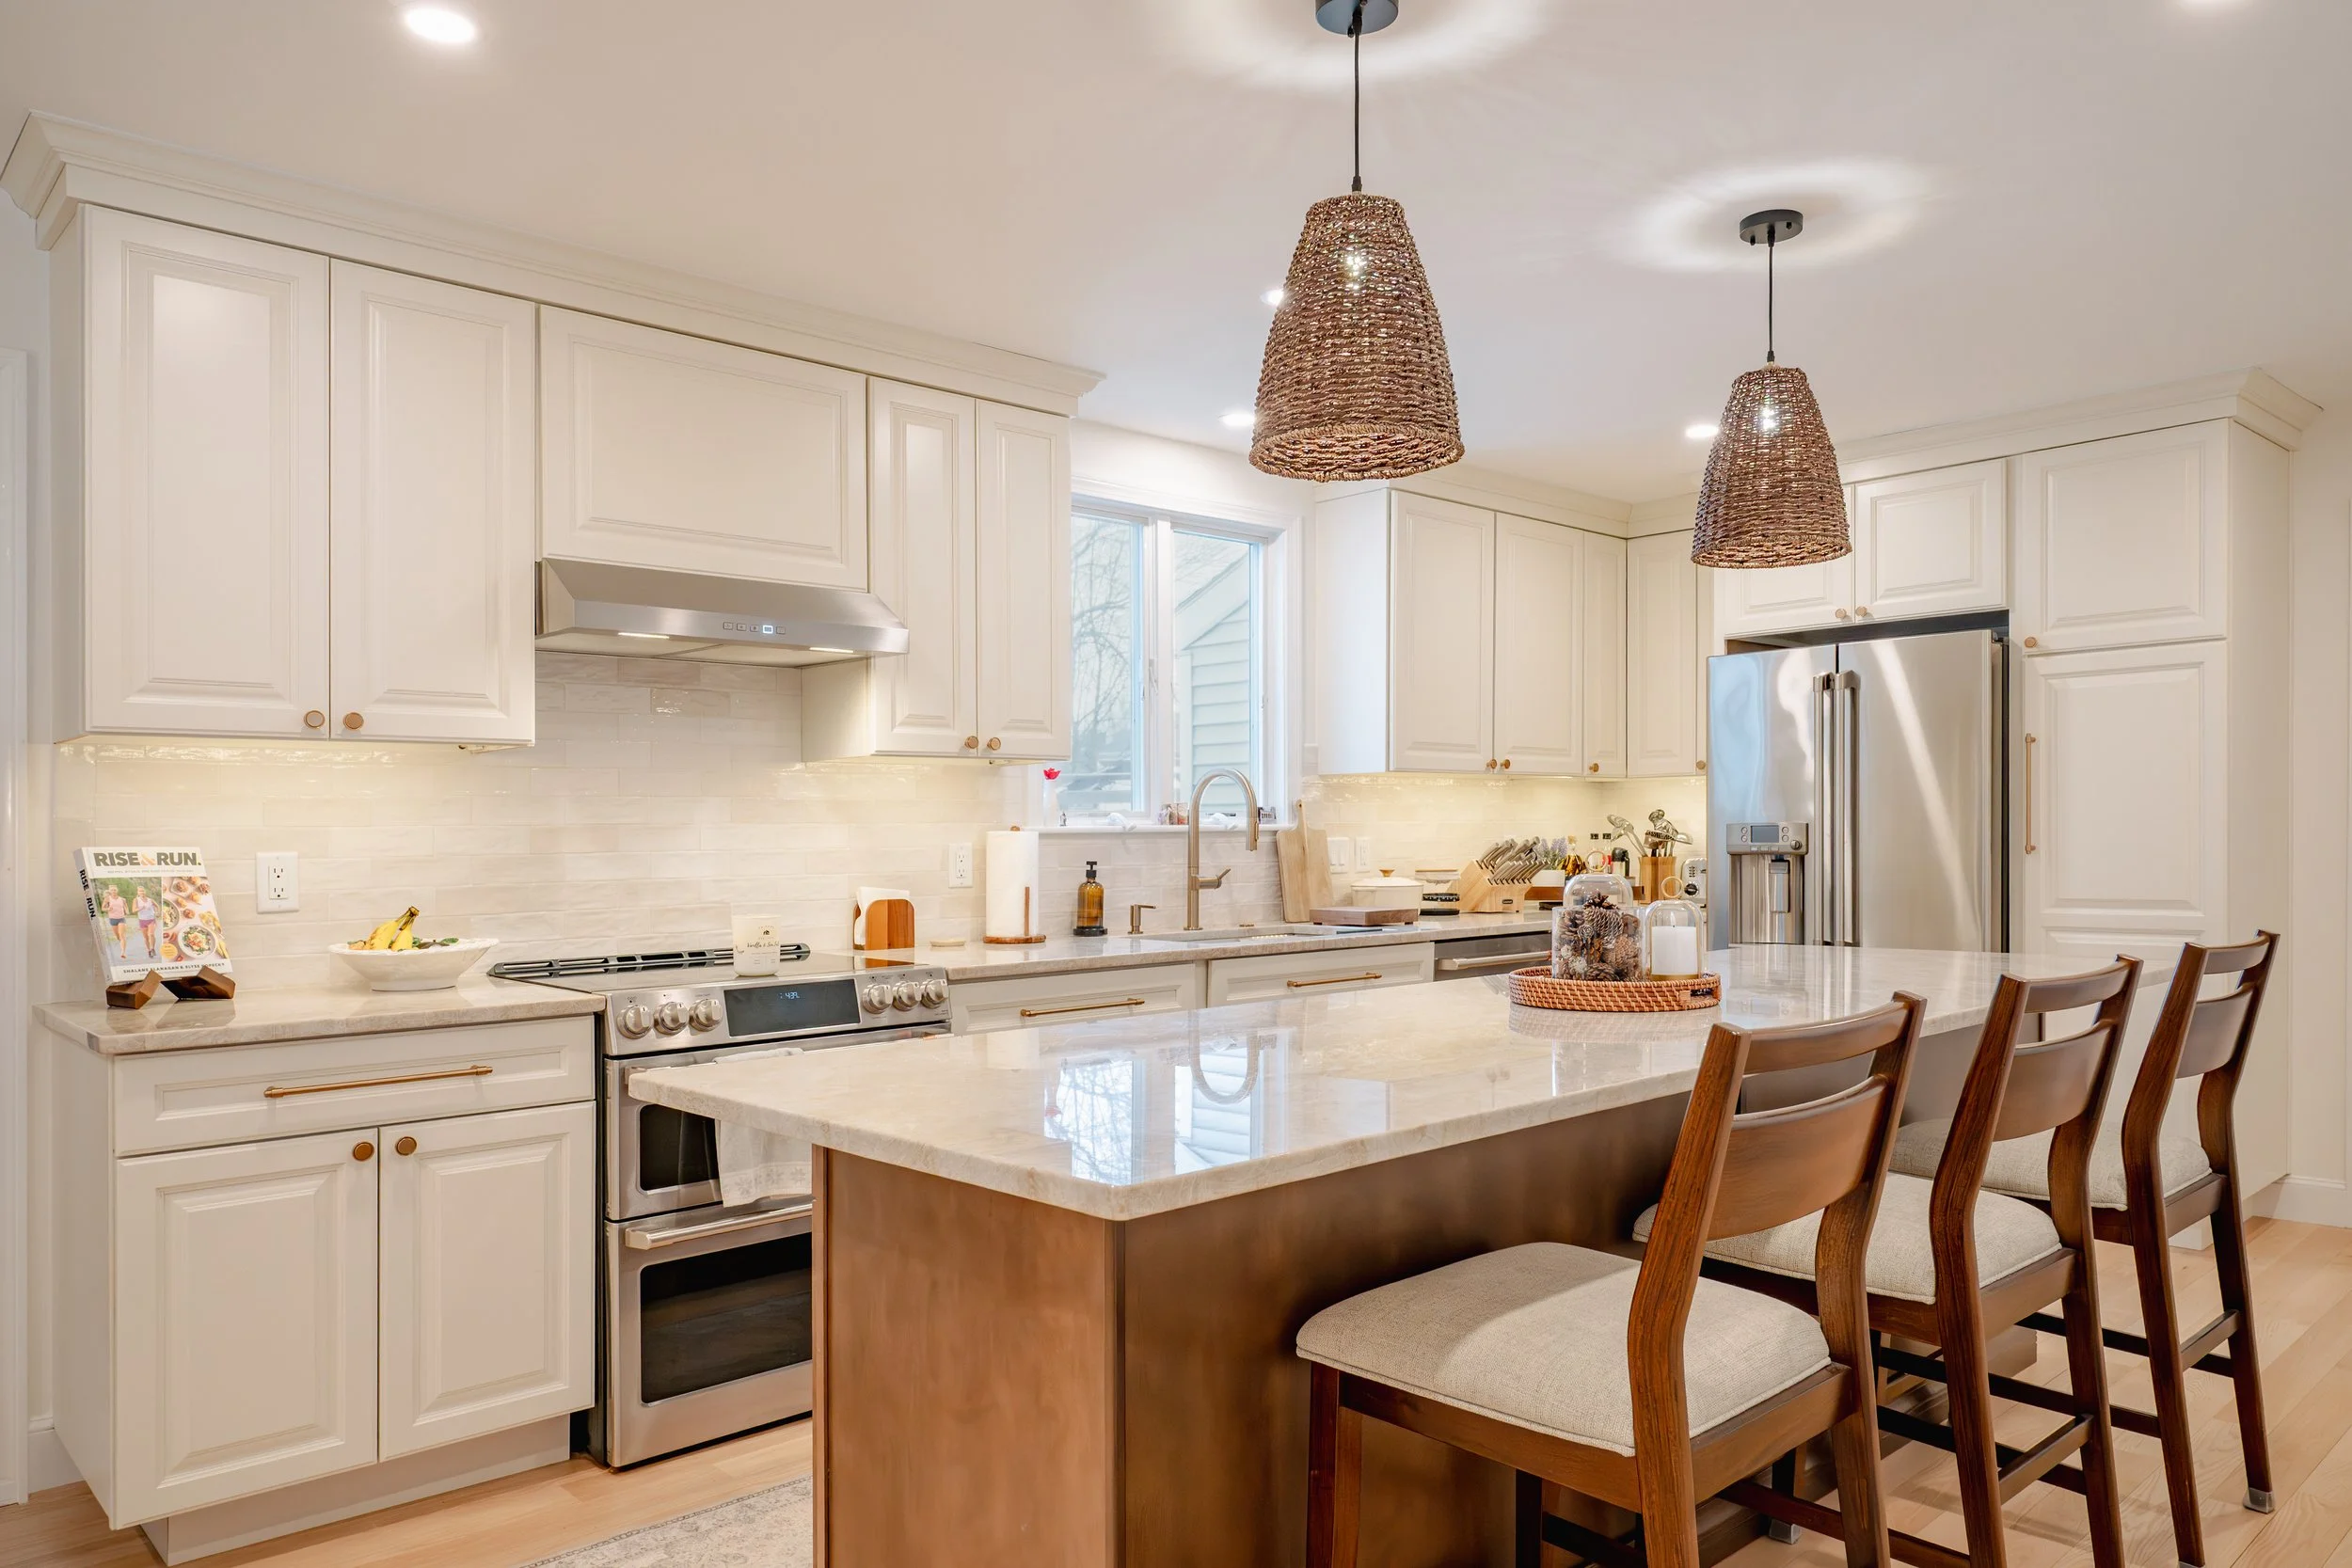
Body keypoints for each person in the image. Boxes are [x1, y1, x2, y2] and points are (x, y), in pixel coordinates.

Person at [102, 884, 131, 958]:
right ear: (110, 891)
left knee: (122, 935)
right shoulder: (107, 899)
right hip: (113, 919)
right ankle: (122, 943)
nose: (113, 891)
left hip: (121, 918)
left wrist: (127, 912)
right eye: (112, 890)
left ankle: (123, 952)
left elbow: (126, 907)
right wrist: (108, 909)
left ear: (117, 890)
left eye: (114, 890)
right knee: (118, 937)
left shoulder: (122, 899)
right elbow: (103, 908)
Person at [134, 886, 161, 962]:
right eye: (140, 891)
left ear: (145, 892)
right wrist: (140, 908)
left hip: (151, 919)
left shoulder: (150, 900)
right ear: (138, 892)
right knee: (146, 938)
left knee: (151, 934)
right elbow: (133, 910)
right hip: (142, 920)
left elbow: (157, 906)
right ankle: (149, 950)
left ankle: (152, 949)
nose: (142, 892)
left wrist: (158, 912)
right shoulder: (136, 900)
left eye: (143, 891)